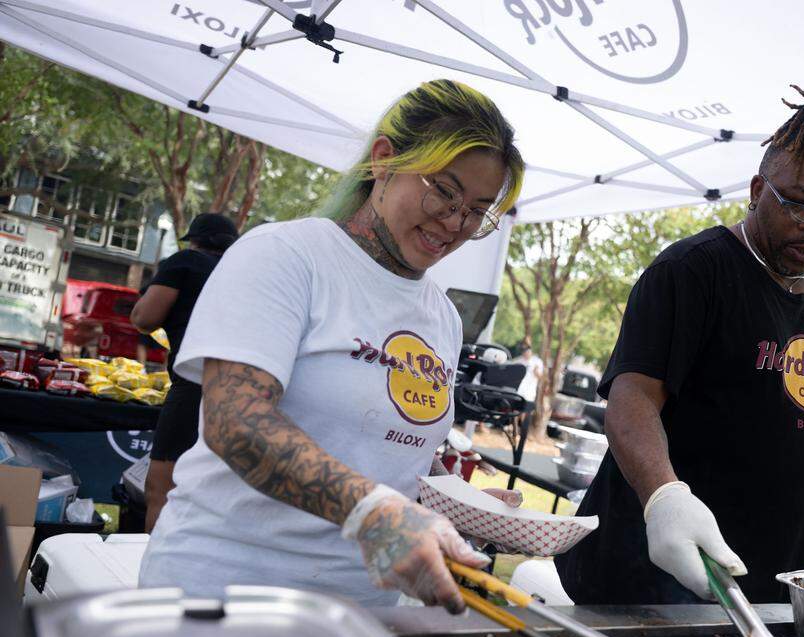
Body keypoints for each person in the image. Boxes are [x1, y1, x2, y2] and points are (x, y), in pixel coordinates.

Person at [139, 79, 525, 610]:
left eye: (477, 211)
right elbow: (238, 424)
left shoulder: (442, 317)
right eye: (444, 191)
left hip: (360, 612)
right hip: (225, 593)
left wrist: (458, 504)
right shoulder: (285, 255)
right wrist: (374, 512)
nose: (456, 223)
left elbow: (387, 455)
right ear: (384, 160)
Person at [556, 86, 804, 604]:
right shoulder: (691, 271)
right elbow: (632, 399)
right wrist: (665, 497)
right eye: (797, 202)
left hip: (766, 590)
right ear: (757, 189)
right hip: (652, 583)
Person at [131, 212, 240, 532]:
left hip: (194, 386)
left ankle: (153, 577)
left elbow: (144, 318)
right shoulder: (240, 269)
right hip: (245, 391)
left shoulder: (185, 262)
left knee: (162, 490)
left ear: (193, 240)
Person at [513, 339, 543, 404]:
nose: (526, 352)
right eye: (524, 350)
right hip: (518, 390)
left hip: (529, 392)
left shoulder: (537, 361)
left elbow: (540, 377)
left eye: (527, 350)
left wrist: (536, 372)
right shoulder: (518, 361)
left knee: (524, 410)